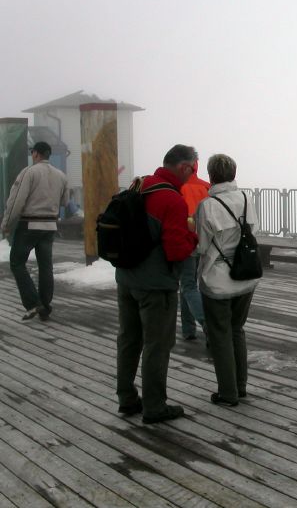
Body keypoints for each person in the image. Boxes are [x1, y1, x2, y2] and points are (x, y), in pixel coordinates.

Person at [115, 144, 198, 424]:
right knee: (157, 344)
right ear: (184, 167)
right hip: (155, 284)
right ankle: (154, 405)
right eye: (193, 168)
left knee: (129, 339)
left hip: (126, 277)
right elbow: (175, 250)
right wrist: (193, 239)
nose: (193, 174)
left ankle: (127, 398)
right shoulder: (172, 200)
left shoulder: (139, 185)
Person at [196, 154, 259, 406]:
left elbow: (202, 245)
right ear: (234, 173)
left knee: (219, 333)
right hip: (245, 275)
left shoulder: (207, 206)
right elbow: (252, 232)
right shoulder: (246, 199)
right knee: (236, 329)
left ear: (211, 176)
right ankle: (240, 386)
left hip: (217, 279)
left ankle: (227, 392)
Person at [1, 141, 68, 322]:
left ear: (36, 154)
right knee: (46, 266)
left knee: (17, 262)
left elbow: (16, 201)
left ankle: (32, 303)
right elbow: (65, 202)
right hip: (50, 226)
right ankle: (45, 307)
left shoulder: (29, 172)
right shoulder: (61, 175)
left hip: (29, 224)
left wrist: (6, 224)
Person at [179, 158, 210, 341]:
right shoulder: (206, 187)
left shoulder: (178, 187)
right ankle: (188, 330)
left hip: (187, 241)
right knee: (190, 285)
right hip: (203, 241)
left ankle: (205, 322)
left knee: (188, 284)